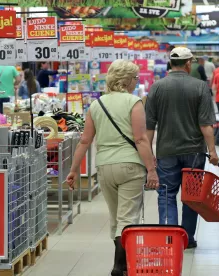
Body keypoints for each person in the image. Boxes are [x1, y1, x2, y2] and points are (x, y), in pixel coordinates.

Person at [66, 60, 158, 276]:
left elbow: (85, 141)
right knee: (127, 218)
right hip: (130, 166)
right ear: (126, 80)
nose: (136, 82)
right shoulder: (134, 102)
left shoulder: (97, 105)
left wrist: (73, 170)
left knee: (116, 218)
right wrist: (151, 169)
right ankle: (120, 267)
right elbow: (140, 139)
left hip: (105, 167)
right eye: (135, 78)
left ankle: (122, 263)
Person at [145, 47, 219, 249]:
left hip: (166, 151)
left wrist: (148, 155)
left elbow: (149, 127)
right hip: (195, 152)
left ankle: (169, 238)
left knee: (166, 194)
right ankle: (187, 238)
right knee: (191, 196)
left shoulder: (156, 88)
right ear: (188, 63)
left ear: (170, 63)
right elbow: (206, 125)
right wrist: (212, 151)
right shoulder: (200, 87)